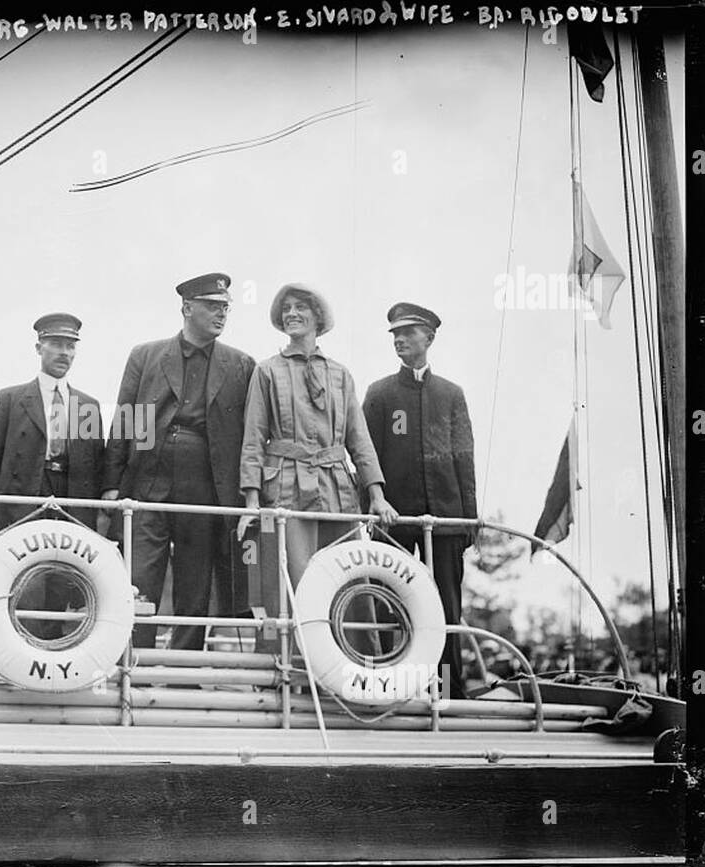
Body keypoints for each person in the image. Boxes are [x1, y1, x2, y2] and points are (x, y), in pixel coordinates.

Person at [102, 272, 255, 650]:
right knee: (138, 580)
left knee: (195, 583)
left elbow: (250, 434)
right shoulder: (146, 355)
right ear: (187, 308)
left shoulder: (241, 365)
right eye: (212, 306)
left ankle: (183, 669)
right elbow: (125, 420)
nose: (222, 314)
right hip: (146, 484)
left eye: (225, 308)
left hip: (205, 490)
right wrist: (110, 485)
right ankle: (133, 664)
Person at [236, 284, 397, 589]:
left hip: (337, 491)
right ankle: (300, 639)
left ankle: (346, 637)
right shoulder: (267, 371)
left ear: (318, 317)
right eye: (286, 309)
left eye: (300, 307)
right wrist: (251, 502)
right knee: (296, 582)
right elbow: (253, 440)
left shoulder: (340, 375)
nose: (292, 314)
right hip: (286, 489)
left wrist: (377, 497)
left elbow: (359, 440)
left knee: (347, 579)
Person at [362, 301, 477, 697]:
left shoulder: (451, 394)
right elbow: (365, 454)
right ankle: (391, 685)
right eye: (395, 334)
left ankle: (446, 691)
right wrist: (372, 508)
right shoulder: (379, 394)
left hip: (445, 517)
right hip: (394, 518)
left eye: (408, 333)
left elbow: (465, 457)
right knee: (388, 599)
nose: (400, 340)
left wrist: (469, 519)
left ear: (429, 337)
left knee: (446, 604)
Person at [0, 313, 106, 533]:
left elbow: (96, 465)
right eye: (56, 345)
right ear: (39, 348)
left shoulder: (88, 406)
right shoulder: (11, 399)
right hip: (22, 504)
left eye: (70, 346)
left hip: (72, 506)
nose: (64, 353)